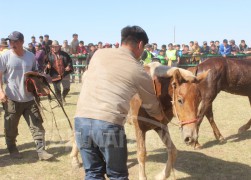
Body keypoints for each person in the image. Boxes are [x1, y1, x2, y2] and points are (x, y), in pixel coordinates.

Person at [74, 25, 164, 180]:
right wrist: (162, 117)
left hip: (80, 121)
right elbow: (152, 107)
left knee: (92, 173)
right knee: (117, 175)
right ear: (140, 44)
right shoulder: (139, 71)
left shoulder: (99, 54)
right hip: (108, 124)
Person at [0, 31, 53, 160]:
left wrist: (42, 81)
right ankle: (12, 149)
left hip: (30, 98)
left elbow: (35, 73)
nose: (12, 44)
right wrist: (1, 92)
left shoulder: (30, 56)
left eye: (15, 41)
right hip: (12, 98)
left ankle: (41, 151)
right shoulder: (4, 57)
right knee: (11, 127)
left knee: (37, 125)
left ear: (22, 42)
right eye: (10, 41)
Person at [45, 40, 73, 105]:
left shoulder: (65, 54)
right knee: (57, 89)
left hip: (65, 73)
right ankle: (60, 101)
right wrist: (48, 67)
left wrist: (69, 66)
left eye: (56, 47)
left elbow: (70, 61)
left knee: (67, 88)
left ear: (59, 47)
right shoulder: (48, 56)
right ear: (51, 47)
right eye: (53, 47)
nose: (54, 48)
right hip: (55, 74)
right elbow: (45, 64)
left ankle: (63, 96)